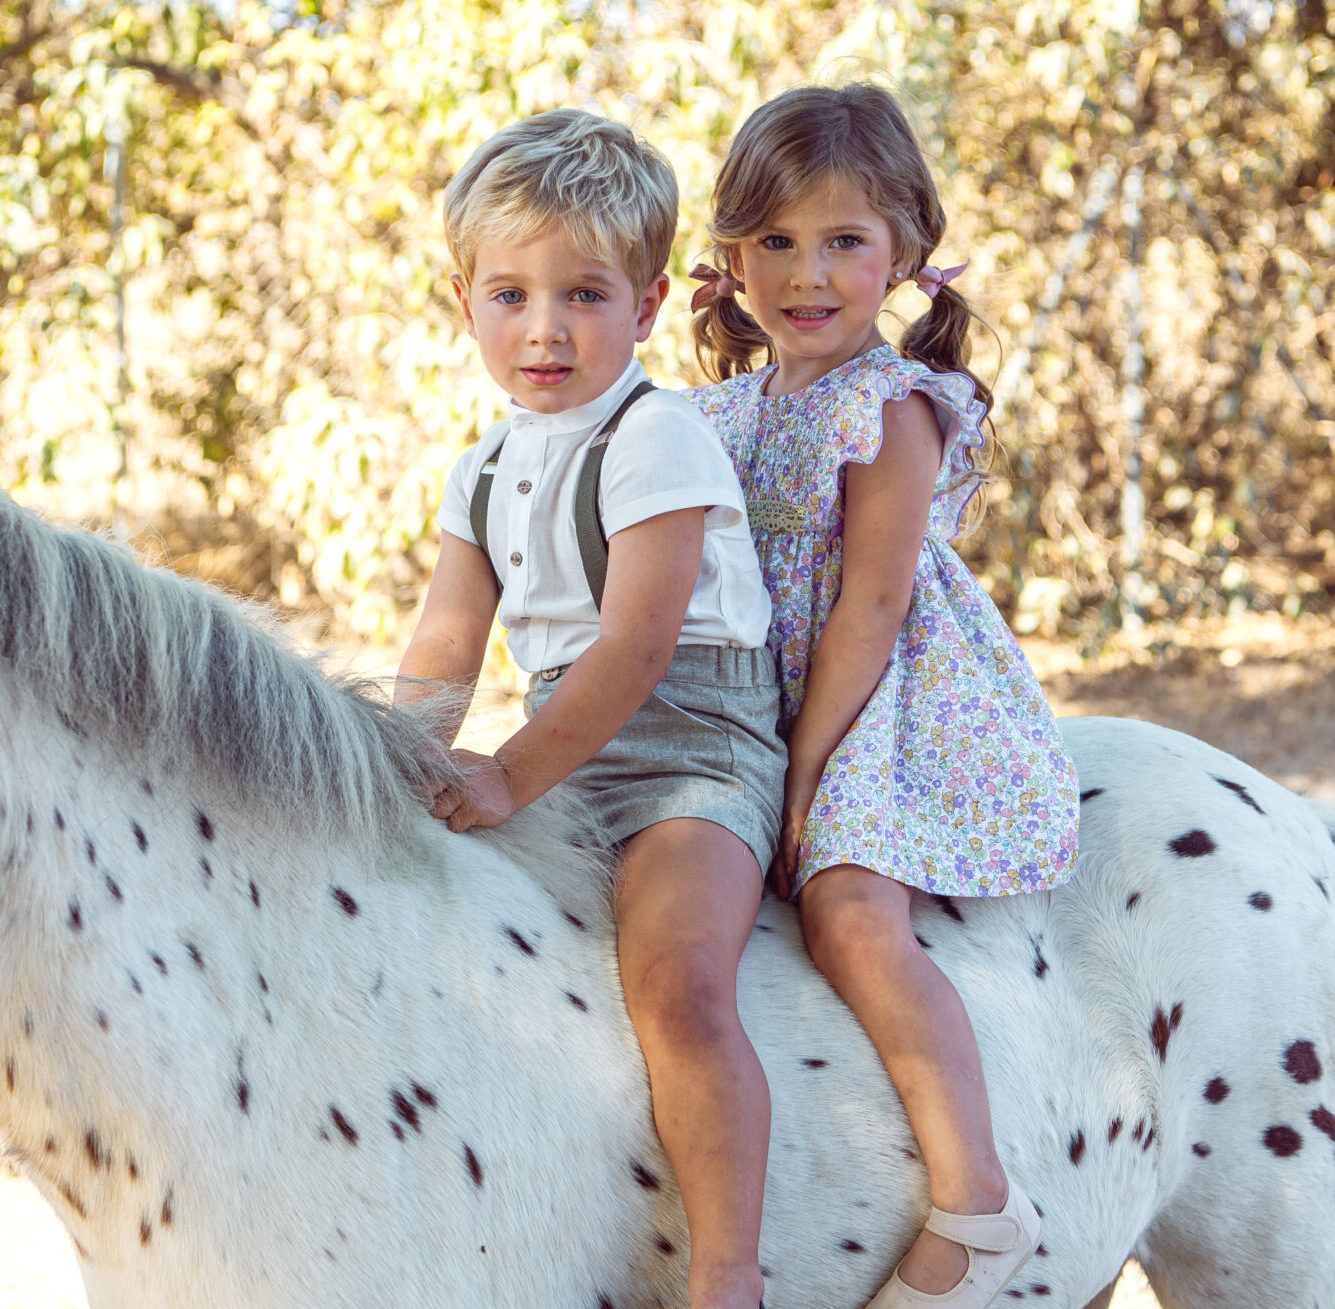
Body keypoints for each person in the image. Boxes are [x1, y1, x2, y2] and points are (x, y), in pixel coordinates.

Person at [687, 83, 1080, 1309]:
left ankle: (978, 1203)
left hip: (878, 697)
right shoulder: (717, 412)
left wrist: (803, 778)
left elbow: (869, 605)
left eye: (844, 241)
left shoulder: (894, 406)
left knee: (850, 908)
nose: (807, 274)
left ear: (903, 252)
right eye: (777, 242)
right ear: (732, 255)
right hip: (751, 689)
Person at [395, 109, 784, 1309]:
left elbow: (637, 644)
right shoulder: (484, 466)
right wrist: (401, 758)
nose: (545, 329)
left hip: (688, 752)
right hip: (566, 747)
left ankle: (726, 1271)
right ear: (465, 301)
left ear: (651, 304)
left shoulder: (656, 437)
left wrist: (506, 773)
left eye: (584, 294)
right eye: (509, 296)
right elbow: (450, 638)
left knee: (676, 981)